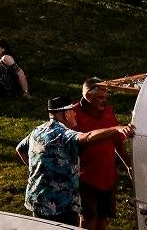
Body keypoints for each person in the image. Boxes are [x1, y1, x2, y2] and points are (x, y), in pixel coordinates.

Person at [16, 97, 133, 224]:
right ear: (64, 114)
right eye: (72, 111)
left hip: (37, 201)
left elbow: (20, 149)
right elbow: (87, 137)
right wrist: (116, 129)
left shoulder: (37, 131)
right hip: (60, 205)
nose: (75, 113)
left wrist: (36, 170)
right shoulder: (63, 135)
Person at [72, 80, 128, 230]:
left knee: (103, 216)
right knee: (88, 217)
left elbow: (117, 141)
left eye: (106, 97)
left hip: (107, 175)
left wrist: (127, 163)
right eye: (101, 98)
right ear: (88, 96)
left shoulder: (109, 112)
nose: (105, 101)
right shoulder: (73, 114)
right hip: (84, 177)